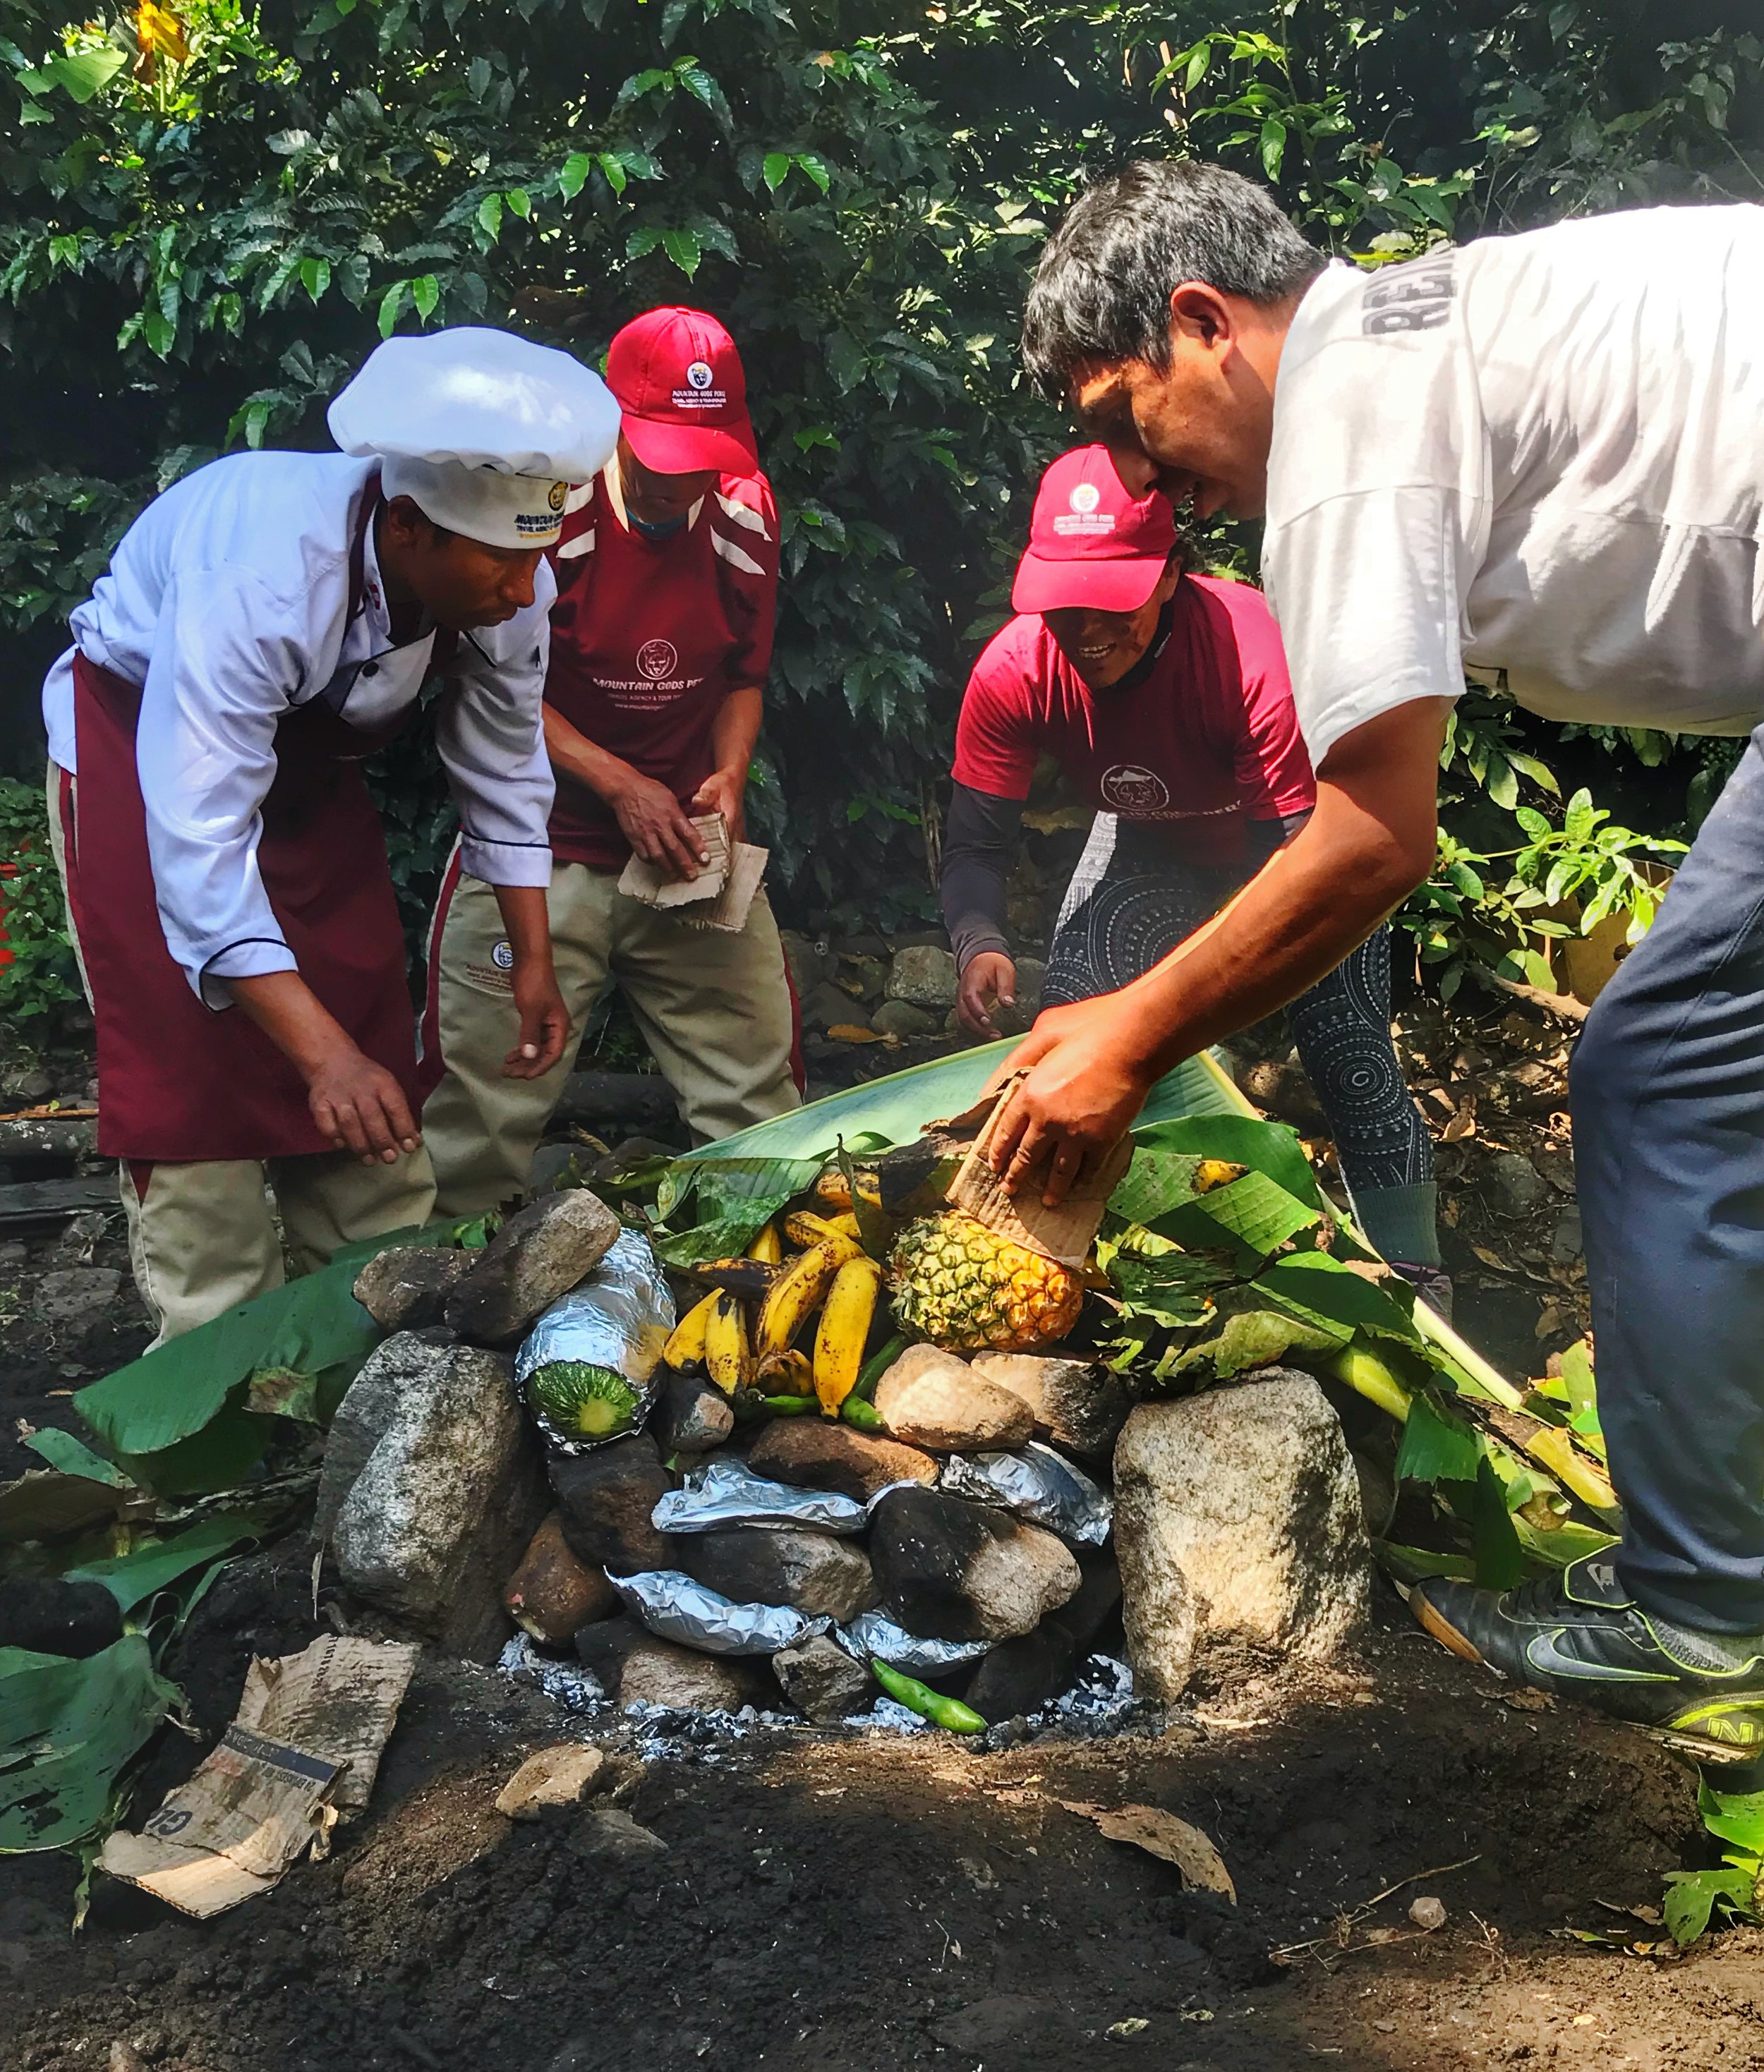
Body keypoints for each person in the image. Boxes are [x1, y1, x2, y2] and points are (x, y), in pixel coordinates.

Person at [991, 158, 1764, 1748]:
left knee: (1667, 1072)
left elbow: (1367, 838)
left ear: (1201, 326)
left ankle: (1696, 1613)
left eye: (1124, 418)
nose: (1155, 479)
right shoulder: (1429, 326)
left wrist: (1125, 1039)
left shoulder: (1343, 423)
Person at [40, 325, 619, 1343]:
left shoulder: (508, 578)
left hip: (310, 786)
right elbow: (200, 836)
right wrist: (321, 1061)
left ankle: (369, 1359)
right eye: (502, 560)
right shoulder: (261, 574)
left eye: (538, 556)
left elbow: (503, 759)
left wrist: (532, 956)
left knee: (369, 1067)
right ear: (408, 525)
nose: (525, 588)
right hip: (147, 769)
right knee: (197, 1100)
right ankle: (213, 1402)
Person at [943, 442, 1442, 1297]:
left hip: (1295, 857)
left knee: (1348, 1052)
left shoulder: (1245, 649)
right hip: (1150, 846)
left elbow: (1301, 856)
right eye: (1065, 602)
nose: (1088, 628)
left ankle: (1419, 1288)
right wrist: (977, 940)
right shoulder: (1014, 671)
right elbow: (975, 844)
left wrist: (1159, 1013)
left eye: (1112, 598)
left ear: (1169, 572)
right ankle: (1050, 1261)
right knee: (1069, 1026)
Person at [421, 305, 801, 1213]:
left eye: (702, 460)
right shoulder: (550, 510)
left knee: (754, 1097)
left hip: (683, 847)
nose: (680, 485)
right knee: (481, 1108)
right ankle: (434, 1309)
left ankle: (764, 1271)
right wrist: (617, 781)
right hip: (539, 844)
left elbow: (744, 672)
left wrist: (731, 775)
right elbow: (488, 682)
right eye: (661, 457)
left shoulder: (745, 513)